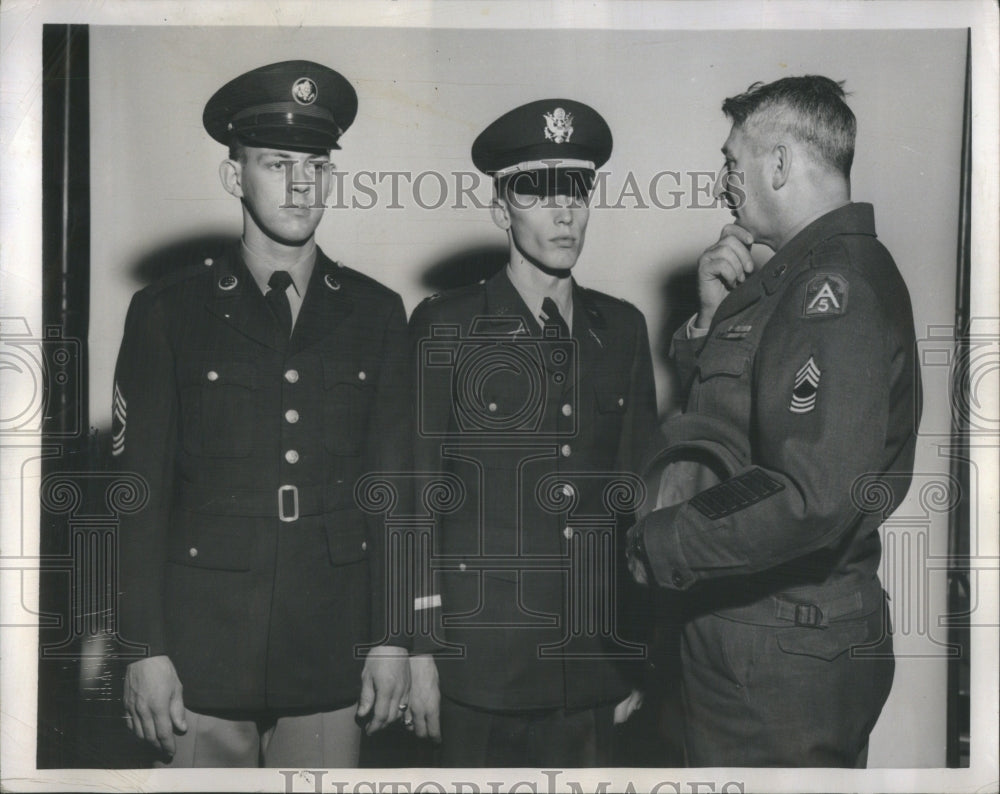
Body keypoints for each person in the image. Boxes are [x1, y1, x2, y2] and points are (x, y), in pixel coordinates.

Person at [112, 60, 411, 767]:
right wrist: (141, 649)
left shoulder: (375, 312)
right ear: (233, 176)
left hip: (331, 648)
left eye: (317, 164)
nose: (302, 182)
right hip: (200, 651)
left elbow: (397, 488)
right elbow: (133, 496)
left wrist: (396, 636)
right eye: (278, 163)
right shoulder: (168, 310)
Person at [626, 75, 921, 767]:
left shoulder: (831, 290)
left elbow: (807, 493)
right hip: (763, 643)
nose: (723, 182)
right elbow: (722, 436)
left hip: (776, 657)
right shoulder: (793, 279)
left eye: (732, 161)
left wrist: (659, 544)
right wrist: (710, 316)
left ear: (780, 164)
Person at [405, 99, 658, 766]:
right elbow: (413, 497)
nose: (563, 211)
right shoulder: (446, 327)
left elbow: (641, 498)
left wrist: (638, 651)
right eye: (537, 191)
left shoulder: (622, 328)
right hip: (478, 666)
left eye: (575, 190)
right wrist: (419, 648)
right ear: (500, 207)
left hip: (594, 662)